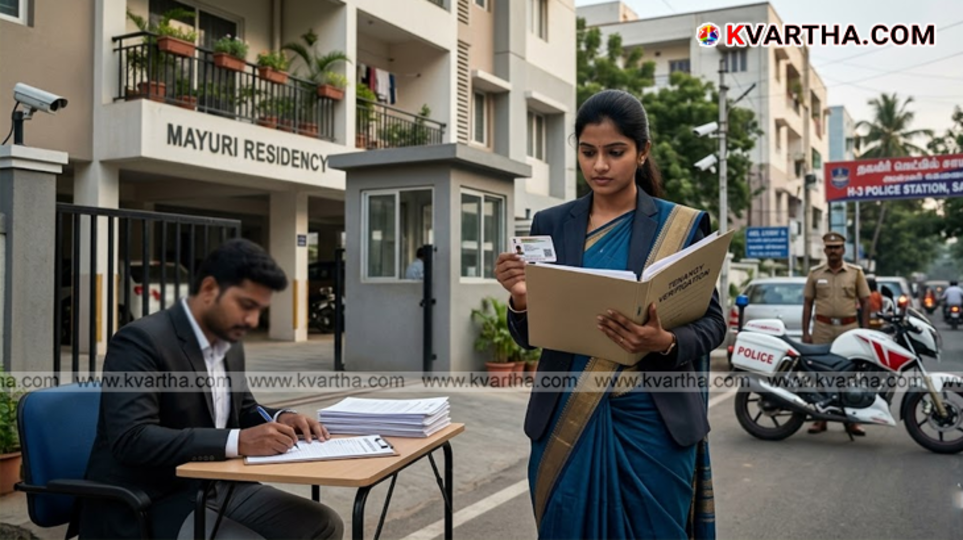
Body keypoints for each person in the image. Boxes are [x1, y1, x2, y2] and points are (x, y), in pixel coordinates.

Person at [495, 89, 725, 540]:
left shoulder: (680, 226)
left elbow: (714, 324)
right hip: (566, 416)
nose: (599, 165)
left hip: (653, 424)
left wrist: (665, 342)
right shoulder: (551, 223)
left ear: (643, 153)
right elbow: (531, 336)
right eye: (588, 152)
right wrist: (521, 299)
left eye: (615, 152)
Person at [80, 239, 343, 540]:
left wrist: (282, 417)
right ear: (208, 291)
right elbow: (132, 438)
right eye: (246, 305)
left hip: (218, 484)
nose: (253, 320)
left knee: (323, 525)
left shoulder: (230, 343)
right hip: (151, 498)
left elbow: (244, 409)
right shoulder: (140, 341)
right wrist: (238, 441)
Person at [802, 232, 870, 436]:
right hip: (822, 329)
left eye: (837, 247)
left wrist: (865, 331)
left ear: (843, 250)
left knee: (850, 374)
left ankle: (851, 421)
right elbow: (807, 304)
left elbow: (866, 302)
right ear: (824, 250)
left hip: (849, 329)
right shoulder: (815, 274)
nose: (833, 251)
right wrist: (806, 332)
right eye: (830, 247)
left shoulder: (856, 273)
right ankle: (820, 419)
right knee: (820, 374)